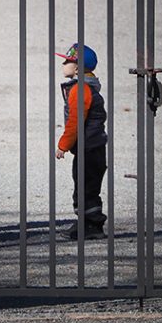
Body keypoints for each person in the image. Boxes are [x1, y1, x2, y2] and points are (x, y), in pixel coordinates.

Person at [54, 43, 109, 240]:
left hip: (90, 148)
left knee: (86, 187)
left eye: (67, 61)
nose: (63, 64)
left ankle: (93, 226)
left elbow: (75, 122)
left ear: (77, 68)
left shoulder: (80, 90)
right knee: (85, 186)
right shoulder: (85, 87)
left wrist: (63, 145)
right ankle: (86, 223)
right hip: (92, 147)